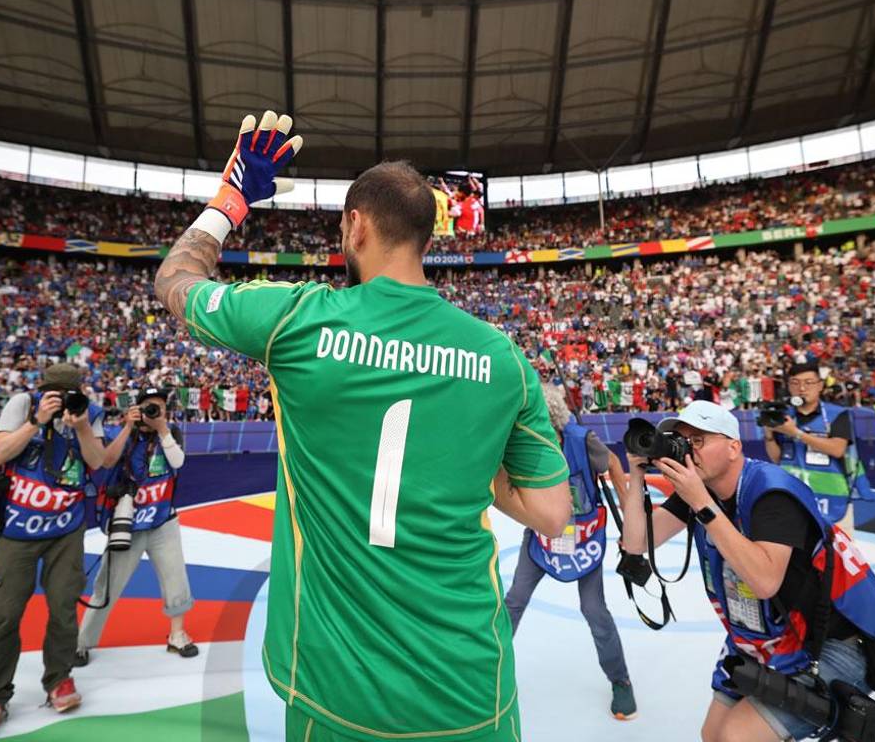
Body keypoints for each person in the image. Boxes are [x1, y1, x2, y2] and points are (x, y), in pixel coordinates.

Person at [154, 111, 571, 742]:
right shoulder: (502, 357)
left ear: (357, 225)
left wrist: (231, 200)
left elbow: (175, 280)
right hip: (471, 687)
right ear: (426, 238)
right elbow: (551, 513)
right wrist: (466, 464)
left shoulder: (296, 320)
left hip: (335, 689)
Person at [621, 401, 875, 742]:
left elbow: (764, 582)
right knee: (712, 734)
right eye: (681, 440)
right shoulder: (701, 490)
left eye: (698, 440)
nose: (688, 449)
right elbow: (636, 542)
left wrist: (701, 504)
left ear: (734, 447)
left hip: (828, 642)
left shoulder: (771, 493)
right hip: (767, 633)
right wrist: (636, 473)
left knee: (736, 736)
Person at [0, 363, 112, 742]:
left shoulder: (89, 412)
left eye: (67, 393)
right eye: (54, 392)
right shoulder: (22, 403)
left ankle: (59, 679)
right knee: (3, 613)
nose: (61, 399)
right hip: (19, 530)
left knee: (63, 606)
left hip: (66, 529)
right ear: (42, 389)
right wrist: (36, 421)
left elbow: (97, 462)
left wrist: (82, 426)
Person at [503, 382, 637, 720]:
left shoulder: (580, 440)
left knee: (594, 609)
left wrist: (628, 512)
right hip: (541, 536)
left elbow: (613, 464)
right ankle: (489, 669)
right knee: (515, 600)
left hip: (583, 537)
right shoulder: (522, 445)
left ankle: (620, 680)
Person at [75, 388, 197, 665]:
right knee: (107, 584)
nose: (153, 413)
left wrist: (162, 428)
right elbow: (106, 461)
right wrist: (128, 427)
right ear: (136, 409)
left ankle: (177, 635)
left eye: (159, 408)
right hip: (127, 523)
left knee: (176, 579)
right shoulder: (127, 435)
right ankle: (82, 641)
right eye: (148, 407)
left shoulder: (171, 433)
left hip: (163, 520)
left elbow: (178, 462)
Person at [762, 362, 870, 533]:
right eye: (795, 383)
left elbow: (837, 449)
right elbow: (777, 459)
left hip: (832, 498)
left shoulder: (838, 414)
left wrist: (796, 433)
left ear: (820, 385)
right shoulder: (784, 416)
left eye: (809, 382)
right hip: (794, 497)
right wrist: (769, 435)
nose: (802, 388)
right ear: (788, 386)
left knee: (837, 549)